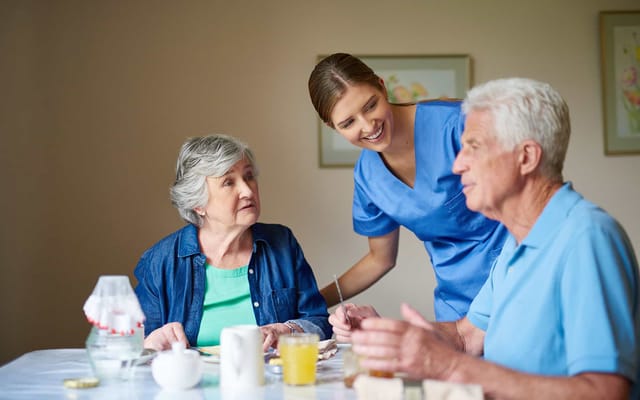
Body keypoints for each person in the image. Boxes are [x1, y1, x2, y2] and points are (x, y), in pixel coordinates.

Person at [339, 78, 640, 399]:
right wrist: (384, 333)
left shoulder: (586, 238)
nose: (457, 163)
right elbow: (465, 336)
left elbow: (607, 392)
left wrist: (452, 368)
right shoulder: (516, 244)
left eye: (474, 147)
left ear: (526, 157)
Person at [308, 53, 509, 321]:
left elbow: (533, 202)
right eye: (348, 123)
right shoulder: (368, 177)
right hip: (458, 306)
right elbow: (380, 259)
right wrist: (312, 303)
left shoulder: (457, 125)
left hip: (518, 281)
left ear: (382, 85)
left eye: (370, 106)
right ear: (331, 126)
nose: (368, 126)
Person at [134, 134, 332, 352]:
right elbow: (134, 348)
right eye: (228, 182)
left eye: (249, 177)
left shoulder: (282, 244)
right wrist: (150, 343)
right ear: (198, 204)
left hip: (268, 379)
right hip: (193, 382)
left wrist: (287, 330)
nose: (247, 191)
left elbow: (319, 322)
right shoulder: (160, 261)